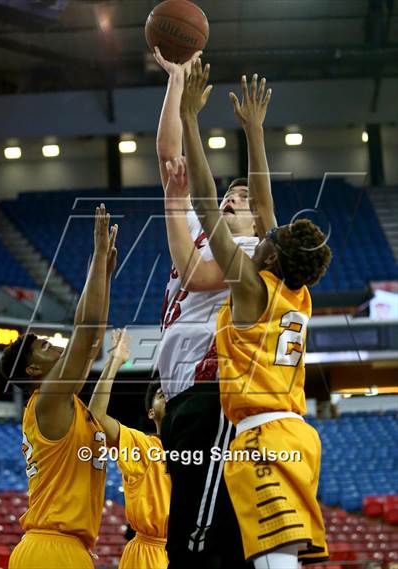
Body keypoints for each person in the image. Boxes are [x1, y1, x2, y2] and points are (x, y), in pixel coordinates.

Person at [180, 60, 331, 568]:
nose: (266, 230)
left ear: (270, 256)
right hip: (298, 438)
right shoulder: (296, 293)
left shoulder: (251, 288)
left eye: (270, 237)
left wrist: (189, 121)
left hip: (263, 440)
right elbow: (266, 211)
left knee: (274, 565)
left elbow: (204, 204)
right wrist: (254, 132)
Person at [155, 46, 274, 568]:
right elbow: (169, 159)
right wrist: (175, 84)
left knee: (198, 537)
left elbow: (195, 273)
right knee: (188, 526)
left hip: (215, 389)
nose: (234, 199)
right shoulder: (207, 234)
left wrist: (252, 133)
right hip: (181, 396)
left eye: (242, 201)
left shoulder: (252, 251)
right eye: (230, 195)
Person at [0, 204, 118, 569]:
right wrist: (98, 261)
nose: (56, 343)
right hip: (52, 550)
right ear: (34, 369)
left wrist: (105, 276)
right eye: (45, 346)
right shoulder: (46, 401)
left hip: (64, 548)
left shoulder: (65, 405)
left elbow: (91, 339)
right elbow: (88, 335)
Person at [88, 329, 170, 569]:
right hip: (148, 553)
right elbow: (97, 416)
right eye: (160, 393)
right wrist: (114, 362)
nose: (167, 394)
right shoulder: (142, 445)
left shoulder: (202, 448)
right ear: (151, 412)